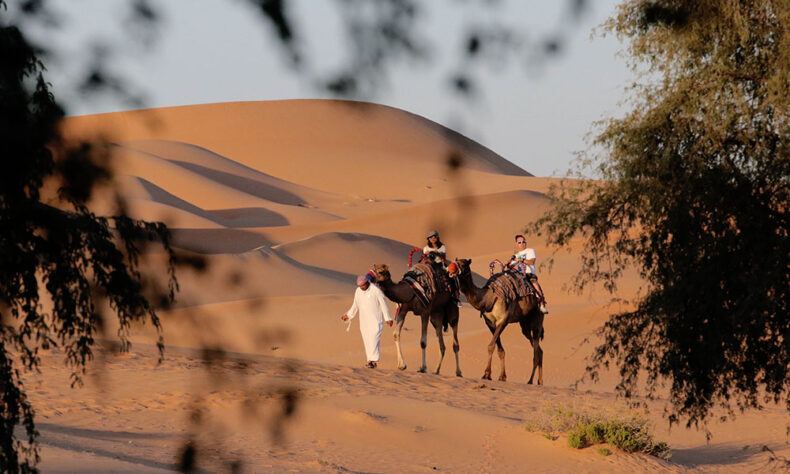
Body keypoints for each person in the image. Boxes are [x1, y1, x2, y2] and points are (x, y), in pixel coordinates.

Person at [341, 275, 393, 368]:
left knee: (374, 338)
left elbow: (383, 304)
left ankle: (373, 361)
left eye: (363, 286)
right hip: (364, 320)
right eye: (360, 286)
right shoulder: (358, 291)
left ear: (367, 283)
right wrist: (348, 315)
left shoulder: (376, 291)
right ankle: (370, 361)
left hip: (375, 320)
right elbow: (355, 305)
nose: (361, 288)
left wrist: (387, 318)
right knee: (367, 340)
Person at [509, 234, 549, 314]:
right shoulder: (516, 255)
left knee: (536, 287)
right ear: (516, 244)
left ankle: (541, 304)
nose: (522, 243)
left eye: (524, 241)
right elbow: (510, 266)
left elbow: (531, 262)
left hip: (529, 275)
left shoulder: (530, 251)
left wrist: (520, 260)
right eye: (520, 242)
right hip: (519, 276)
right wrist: (510, 263)